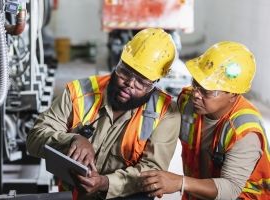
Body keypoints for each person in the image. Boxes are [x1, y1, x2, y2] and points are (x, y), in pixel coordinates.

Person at [26, 28, 181, 199]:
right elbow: (34, 138)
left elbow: (152, 171)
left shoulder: (166, 114)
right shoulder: (80, 92)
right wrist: (73, 139)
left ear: (154, 83)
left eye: (142, 82)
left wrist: (105, 183)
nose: (129, 84)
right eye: (125, 72)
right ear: (118, 62)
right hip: (73, 194)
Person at [140, 41, 270, 199]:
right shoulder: (187, 102)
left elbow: (230, 189)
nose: (196, 94)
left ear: (233, 94)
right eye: (196, 83)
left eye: (207, 91)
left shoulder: (245, 131)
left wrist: (180, 182)